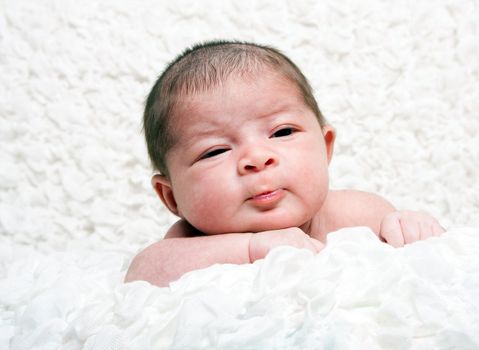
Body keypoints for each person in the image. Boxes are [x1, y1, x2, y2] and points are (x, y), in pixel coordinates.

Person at [125, 40, 445, 287]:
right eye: (215, 151)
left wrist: (411, 227)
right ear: (171, 196)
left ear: (326, 146)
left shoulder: (358, 214)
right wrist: (252, 250)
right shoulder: (190, 243)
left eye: (282, 131)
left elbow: (425, 271)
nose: (256, 158)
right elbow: (144, 273)